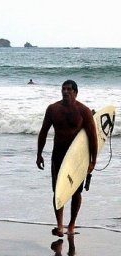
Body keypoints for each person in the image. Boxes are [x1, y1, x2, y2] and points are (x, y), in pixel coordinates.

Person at [36, 80, 98, 236]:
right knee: (58, 191)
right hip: (58, 154)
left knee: (76, 192)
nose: (65, 92)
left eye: (69, 89)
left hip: (77, 157)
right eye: (63, 89)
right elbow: (43, 132)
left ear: (75, 92)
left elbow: (92, 137)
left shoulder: (84, 111)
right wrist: (39, 154)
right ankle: (59, 226)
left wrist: (93, 161)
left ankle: (71, 225)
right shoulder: (52, 109)